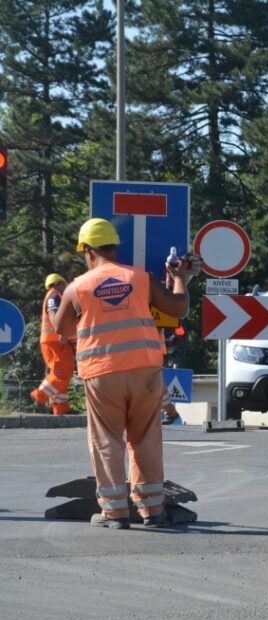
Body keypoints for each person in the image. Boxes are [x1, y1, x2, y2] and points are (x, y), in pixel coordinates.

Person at [53, 218, 194, 530]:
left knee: (106, 440)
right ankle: (152, 511)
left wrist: (86, 315)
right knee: (146, 438)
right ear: (114, 248)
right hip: (145, 371)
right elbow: (178, 307)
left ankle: (115, 513)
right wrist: (180, 278)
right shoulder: (140, 278)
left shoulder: (78, 287)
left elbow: (61, 329)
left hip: (103, 374)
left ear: (88, 252)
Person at [31, 274, 76, 415]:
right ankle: (39, 396)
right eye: (64, 285)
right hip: (55, 341)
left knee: (60, 372)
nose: (65, 288)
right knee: (62, 373)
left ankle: (61, 409)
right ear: (59, 284)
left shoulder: (53, 296)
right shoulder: (54, 296)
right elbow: (54, 315)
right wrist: (61, 333)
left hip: (55, 340)